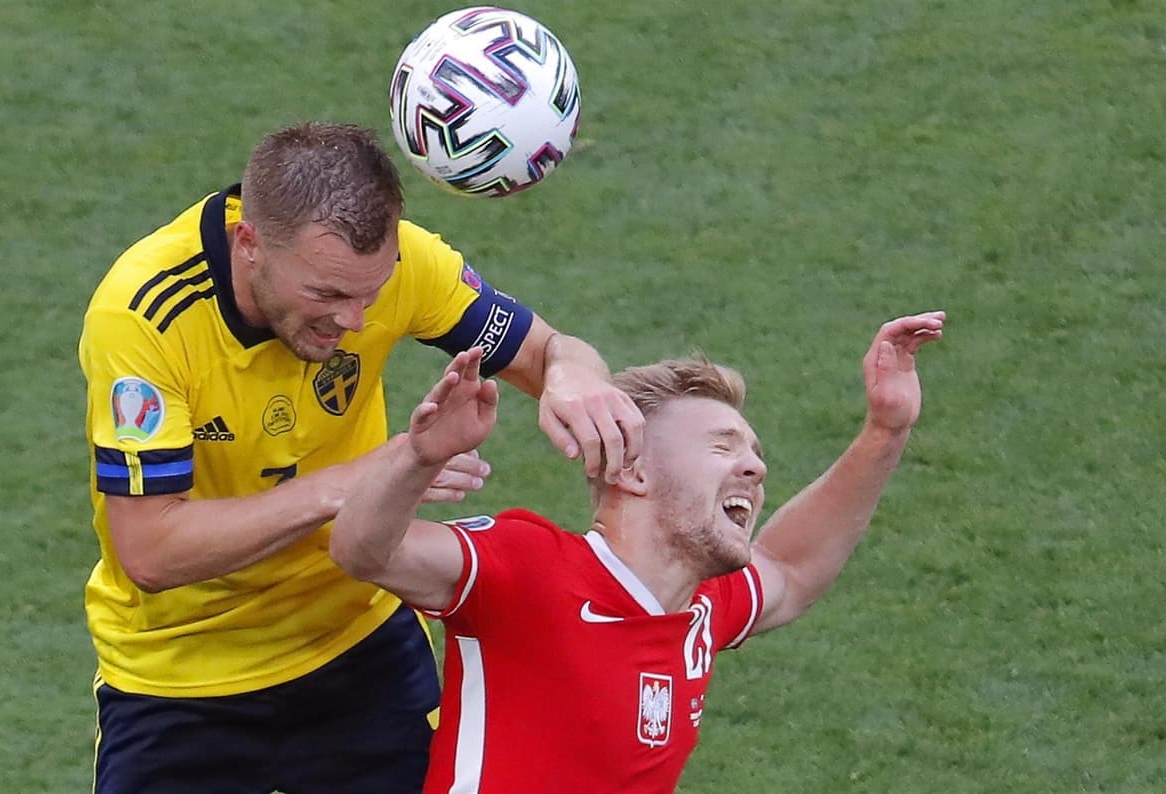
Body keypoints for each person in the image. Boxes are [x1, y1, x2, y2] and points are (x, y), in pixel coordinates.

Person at [78, 121, 644, 793]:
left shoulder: (402, 263)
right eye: (327, 296)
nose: (353, 320)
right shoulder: (147, 315)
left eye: (369, 295)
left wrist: (571, 373)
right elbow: (150, 552)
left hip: (359, 644)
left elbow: (550, 349)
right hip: (179, 677)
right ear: (249, 243)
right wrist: (355, 481)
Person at [330, 311, 946, 793]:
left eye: (754, 452)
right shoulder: (528, 567)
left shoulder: (701, 607)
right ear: (634, 471)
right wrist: (419, 457)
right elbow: (364, 552)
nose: (755, 467)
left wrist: (885, 430)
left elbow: (791, 568)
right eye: (723, 446)